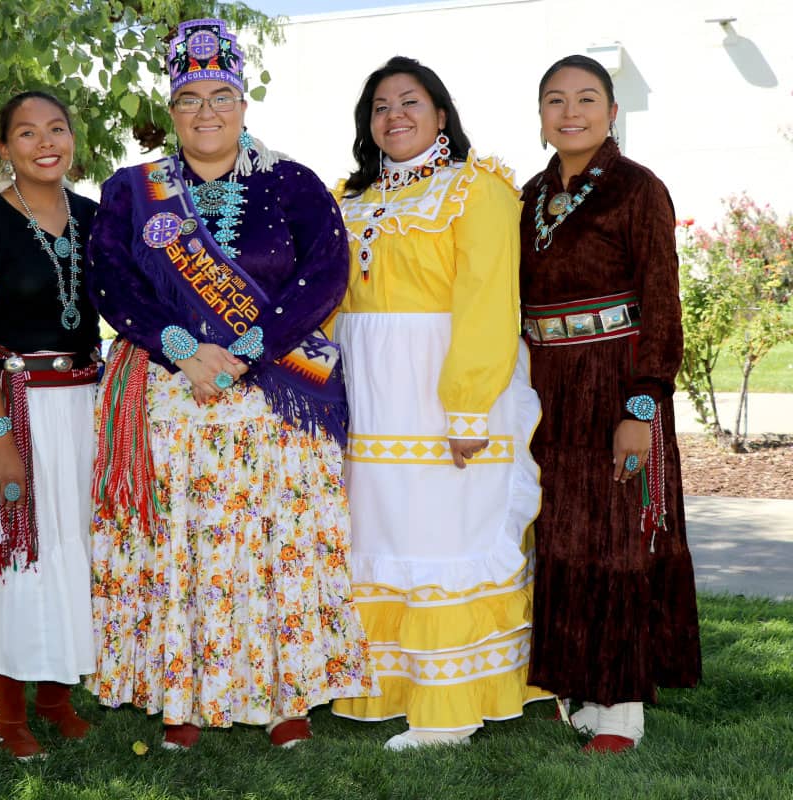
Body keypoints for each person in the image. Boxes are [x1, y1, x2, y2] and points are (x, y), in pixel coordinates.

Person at [85, 17, 373, 751]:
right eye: (189, 98)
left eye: (221, 95)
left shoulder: (292, 183)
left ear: (244, 104)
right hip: (173, 393)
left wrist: (244, 349)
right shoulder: (131, 190)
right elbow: (111, 279)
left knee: (277, 545)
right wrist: (182, 346)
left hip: (275, 396)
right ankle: (181, 695)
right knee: (183, 547)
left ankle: (287, 697)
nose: (206, 111)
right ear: (170, 110)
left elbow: (325, 278)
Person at [329, 57, 547, 750]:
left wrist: (467, 409)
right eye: (381, 105)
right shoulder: (347, 198)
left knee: (444, 534)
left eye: (410, 101)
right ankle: (390, 688)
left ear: (441, 114)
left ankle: (449, 709)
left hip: (443, 387)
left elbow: (488, 301)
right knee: (383, 534)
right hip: (370, 396)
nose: (395, 115)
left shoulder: (475, 191)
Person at [520, 54, 701, 753]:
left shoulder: (638, 190)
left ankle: (624, 701)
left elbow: (661, 304)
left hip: (616, 380)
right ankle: (584, 687)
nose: (571, 111)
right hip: (547, 389)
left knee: (620, 537)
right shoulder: (528, 195)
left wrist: (643, 407)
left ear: (612, 111)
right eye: (556, 100)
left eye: (587, 98)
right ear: (540, 116)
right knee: (564, 537)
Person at [0, 91, 101, 761]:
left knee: (74, 540)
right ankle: (8, 707)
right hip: (11, 405)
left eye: (56, 128)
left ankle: (58, 695)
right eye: (26, 133)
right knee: (16, 546)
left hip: (81, 402)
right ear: (3, 148)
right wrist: (1, 441)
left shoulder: (96, 218)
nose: (44, 142)